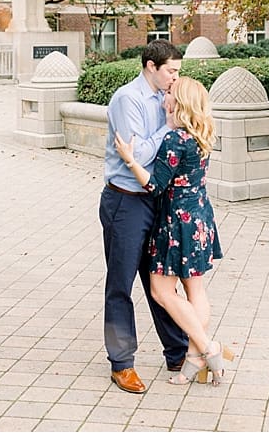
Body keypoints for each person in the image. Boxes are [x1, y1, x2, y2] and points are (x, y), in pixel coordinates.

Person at [114, 76, 226, 385]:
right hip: (201, 217)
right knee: (195, 290)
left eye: (170, 95)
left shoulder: (175, 140)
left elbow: (153, 186)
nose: (165, 97)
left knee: (161, 291)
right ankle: (193, 359)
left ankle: (207, 348)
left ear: (179, 103)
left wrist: (129, 159)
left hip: (177, 222)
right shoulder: (202, 134)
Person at [98, 39, 190, 394]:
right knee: (120, 284)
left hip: (156, 199)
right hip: (125, 202)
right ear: (151, 66)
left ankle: (179, 353)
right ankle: (121, 364)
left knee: (160, 283)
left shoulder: (167, 97)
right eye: (171, 71)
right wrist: (167, 127)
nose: (176, 78)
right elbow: (136, 154)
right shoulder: (128, 99)